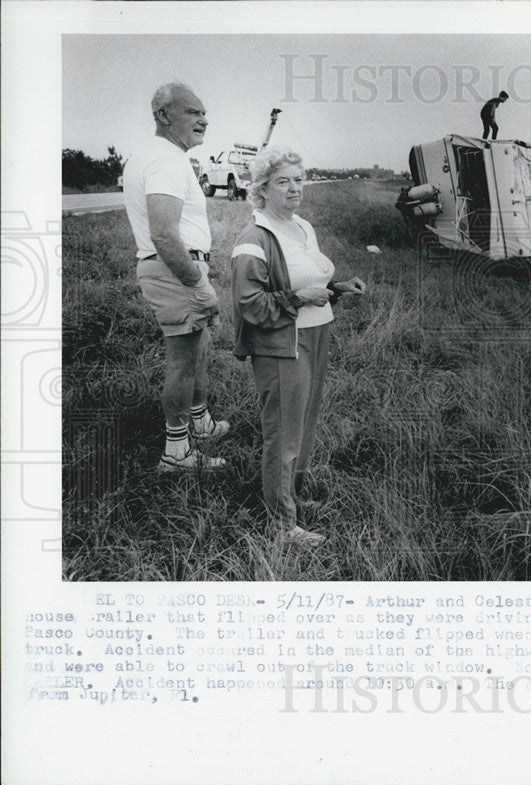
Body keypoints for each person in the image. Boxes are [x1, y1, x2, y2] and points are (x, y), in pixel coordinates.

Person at [231, 146, 366, 545]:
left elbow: (309, 282)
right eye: (283, 182)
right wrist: (302, 299)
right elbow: (248, 303)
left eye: (299, 179)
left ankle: (291, 500)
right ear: (261, 188)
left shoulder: (303, 226)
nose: (294, 189)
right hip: (281, 344)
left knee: (304, 427)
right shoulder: (254, 237)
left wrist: (335, 289)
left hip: (317, 333)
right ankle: (281, 525)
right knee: (284, 433)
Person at [123, 82, 229, 473]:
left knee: (199, 347)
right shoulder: (166, 158)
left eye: (204, 113)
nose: (203, 119)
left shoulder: (160, 155)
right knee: (183, 360)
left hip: (176, 269)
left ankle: (198, 423)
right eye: (193, 111)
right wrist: (197, 283)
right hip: (174, 271)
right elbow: (164, 233)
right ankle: (177, 453)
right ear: (164, 115)